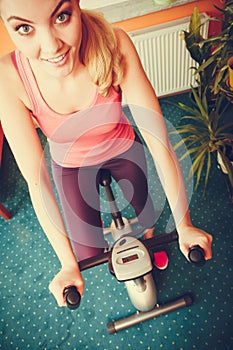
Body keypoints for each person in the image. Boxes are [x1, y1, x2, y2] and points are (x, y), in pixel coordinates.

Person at [0, 0, 212, 307]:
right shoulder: (7, 77)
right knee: (88, 251)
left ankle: (150, 242)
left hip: (122, 146)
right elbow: (37, 182)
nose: (51, 46)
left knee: (148, 217)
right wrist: (68, 264)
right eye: (24, 28)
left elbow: (158, 141)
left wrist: (184, 224)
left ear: (76, 4)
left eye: (61, 16)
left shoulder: (115, 44)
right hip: (69, 164)